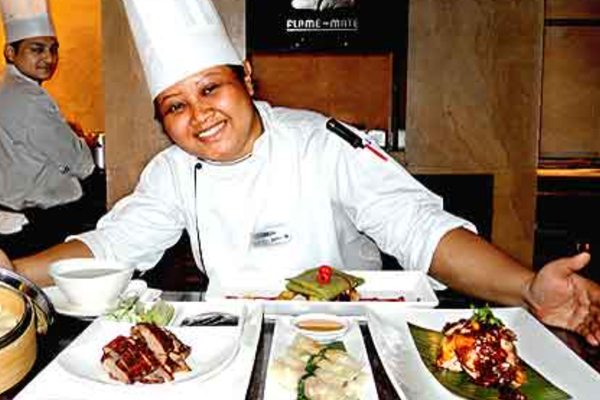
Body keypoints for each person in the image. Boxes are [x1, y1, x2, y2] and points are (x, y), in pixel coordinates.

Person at [2, 0, 600, 346]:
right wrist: (11, 272)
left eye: (210, 88)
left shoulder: (321, 142)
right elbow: (111, 245)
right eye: (175, 106)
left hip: (352, 339)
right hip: (231, 345)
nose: (199, 115)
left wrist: (527, 287)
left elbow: (418, 227)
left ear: (246, 78)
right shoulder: (174, 172)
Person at [0, 0, 97, 258]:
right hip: (38, 225)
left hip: (19, 218)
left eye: (54, 49)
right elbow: (81, 163)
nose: (49, 58)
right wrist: (80, 142)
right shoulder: (27, 97)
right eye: (37, 49)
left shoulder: (9, 89)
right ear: (10, 52)